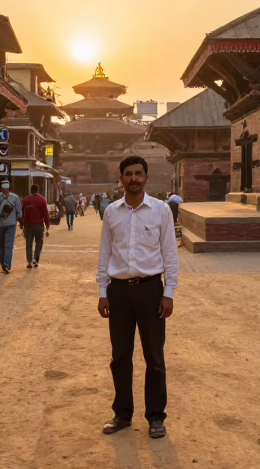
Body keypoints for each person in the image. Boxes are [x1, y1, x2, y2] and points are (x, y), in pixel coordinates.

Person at [96, 155, 179, 440]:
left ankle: (156, 417)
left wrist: (168, 292)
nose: (133, 178)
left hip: (150, 290)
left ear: (146, 177)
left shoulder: (160, 211)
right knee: (120, 356)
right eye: (128, 173)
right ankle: (122, 413)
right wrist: (102, 291)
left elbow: (170, 252)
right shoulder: (111, 212)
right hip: (118, 291)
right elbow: (104, 253)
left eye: (138, 173)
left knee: (154, 356)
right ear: (121, 178)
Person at [0, 181, 22, 274]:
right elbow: (19, 212)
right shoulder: (15, 197)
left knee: (2, 245)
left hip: (1, 224)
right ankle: (6, 264)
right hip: (11, 224)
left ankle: (4, 265)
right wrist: (21, 222)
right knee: (8, 245)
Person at [20, 183, 50, 268]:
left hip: (28, 225)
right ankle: (35, 260)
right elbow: (45, 214)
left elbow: (21, 212)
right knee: (39, 243)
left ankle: (29, 262)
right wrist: (47, 225)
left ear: (31, 190)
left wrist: (22, 224)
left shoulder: (25, 200)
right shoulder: (42, 200)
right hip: (39, 225)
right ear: (38, 191)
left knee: (28, 244)